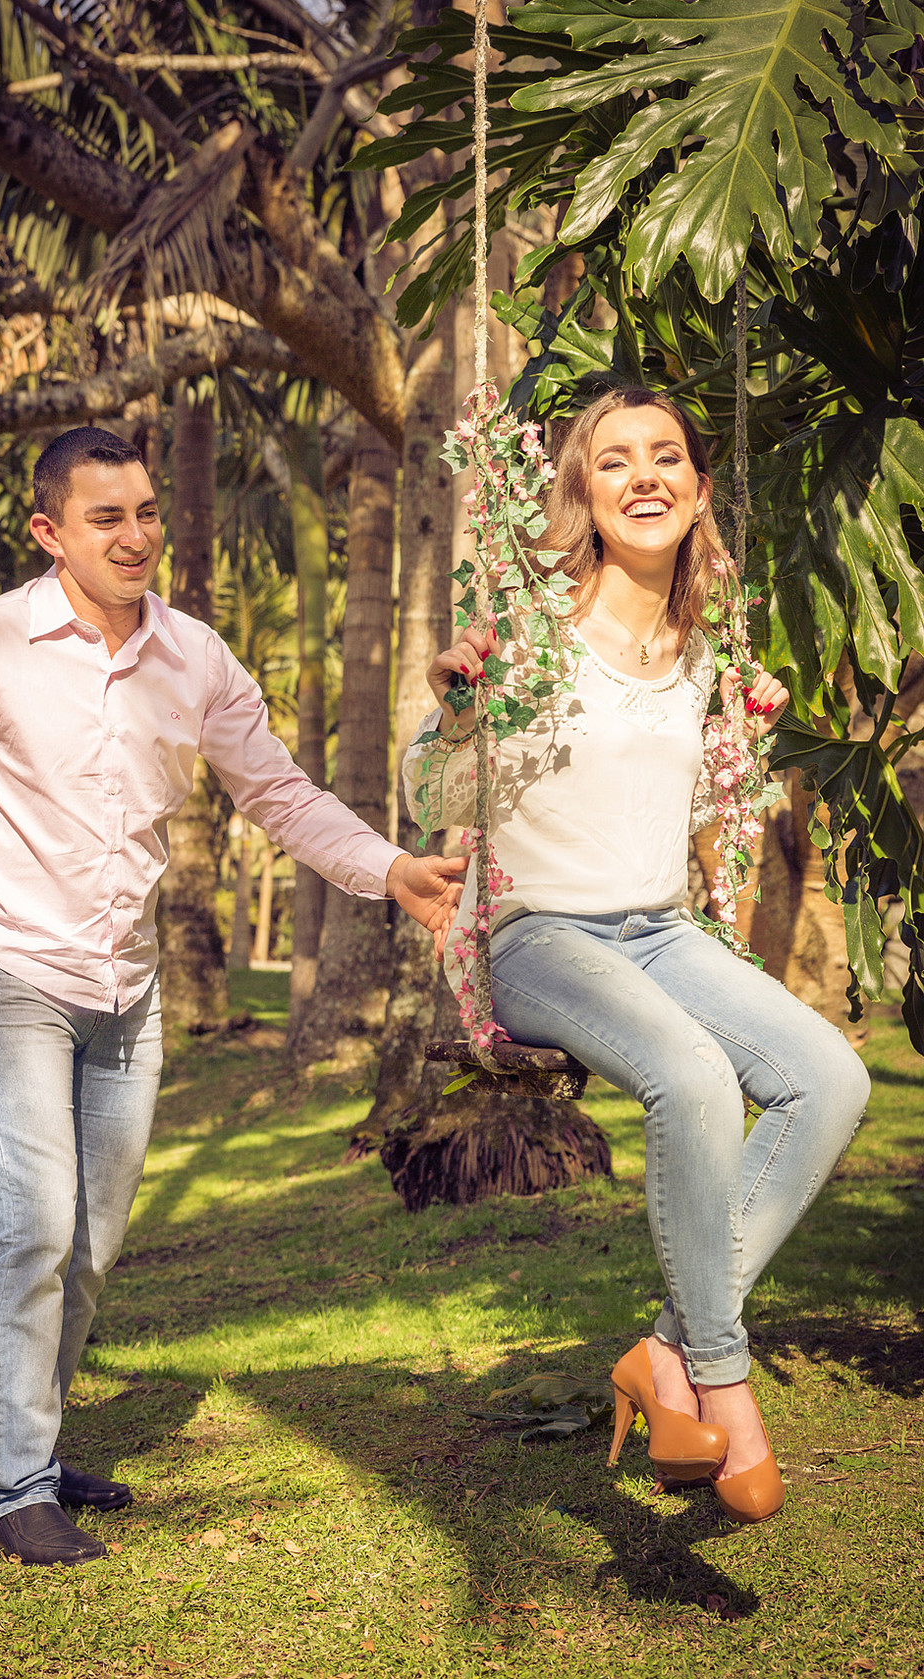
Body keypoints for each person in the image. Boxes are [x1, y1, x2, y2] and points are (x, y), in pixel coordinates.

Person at [0, 425, 467, 1566]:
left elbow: (277, 793)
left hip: (125, 991)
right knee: (37, 1218)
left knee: (93, 1242)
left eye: (144, 511)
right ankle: (16, 1489)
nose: (135, 535)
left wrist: (390, 869)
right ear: (49, 532)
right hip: (9, 967)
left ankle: (13, 1438)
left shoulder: (197, 658)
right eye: (105, 517)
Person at [404, 387, 870, 1524]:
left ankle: (664, 1349)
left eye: (668, 456)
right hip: (542, 935)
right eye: (615, 462)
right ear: (585, 496)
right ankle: (721, 1376)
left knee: (832, 1079)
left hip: (656, 930)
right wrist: (459, 712)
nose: (645, 475)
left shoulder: (704, 649)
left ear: (701, 490)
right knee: (695, 1076)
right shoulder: (526, 629)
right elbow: (436, 796)